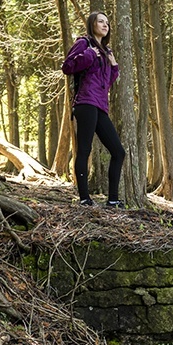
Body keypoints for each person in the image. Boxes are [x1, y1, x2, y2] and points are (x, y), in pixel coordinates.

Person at [61, 12, 126, 207]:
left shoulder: (107, 51)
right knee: (84, 149)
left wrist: (114, 67)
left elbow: (107, 82)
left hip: (100, 105)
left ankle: (113, 200)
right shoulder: (84, 44)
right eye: (101, 21)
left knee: (118, 152)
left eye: (107, 23)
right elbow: (67, 67)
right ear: (92, 24)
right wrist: (89, 54)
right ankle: (84, 198)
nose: (105, 25)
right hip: (85, 103)